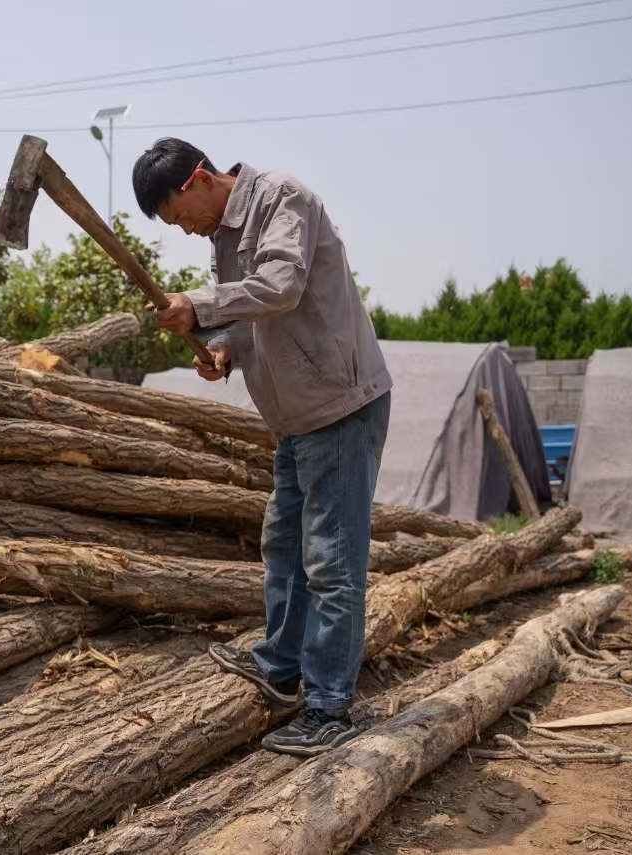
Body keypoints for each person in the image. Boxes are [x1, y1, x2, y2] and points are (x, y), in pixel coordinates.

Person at [132, 137, 393, 757]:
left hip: (338, 405)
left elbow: (280, 287)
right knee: (283, 543)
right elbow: (254, 321)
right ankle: (281, 665)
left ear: (198, 179)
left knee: (332, 562)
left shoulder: (283, 197)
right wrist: (223, 346)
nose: (187, 231)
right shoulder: (225, 237)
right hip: (295, 418)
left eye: (180, 215)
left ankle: (330, 706)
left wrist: (197, 306)